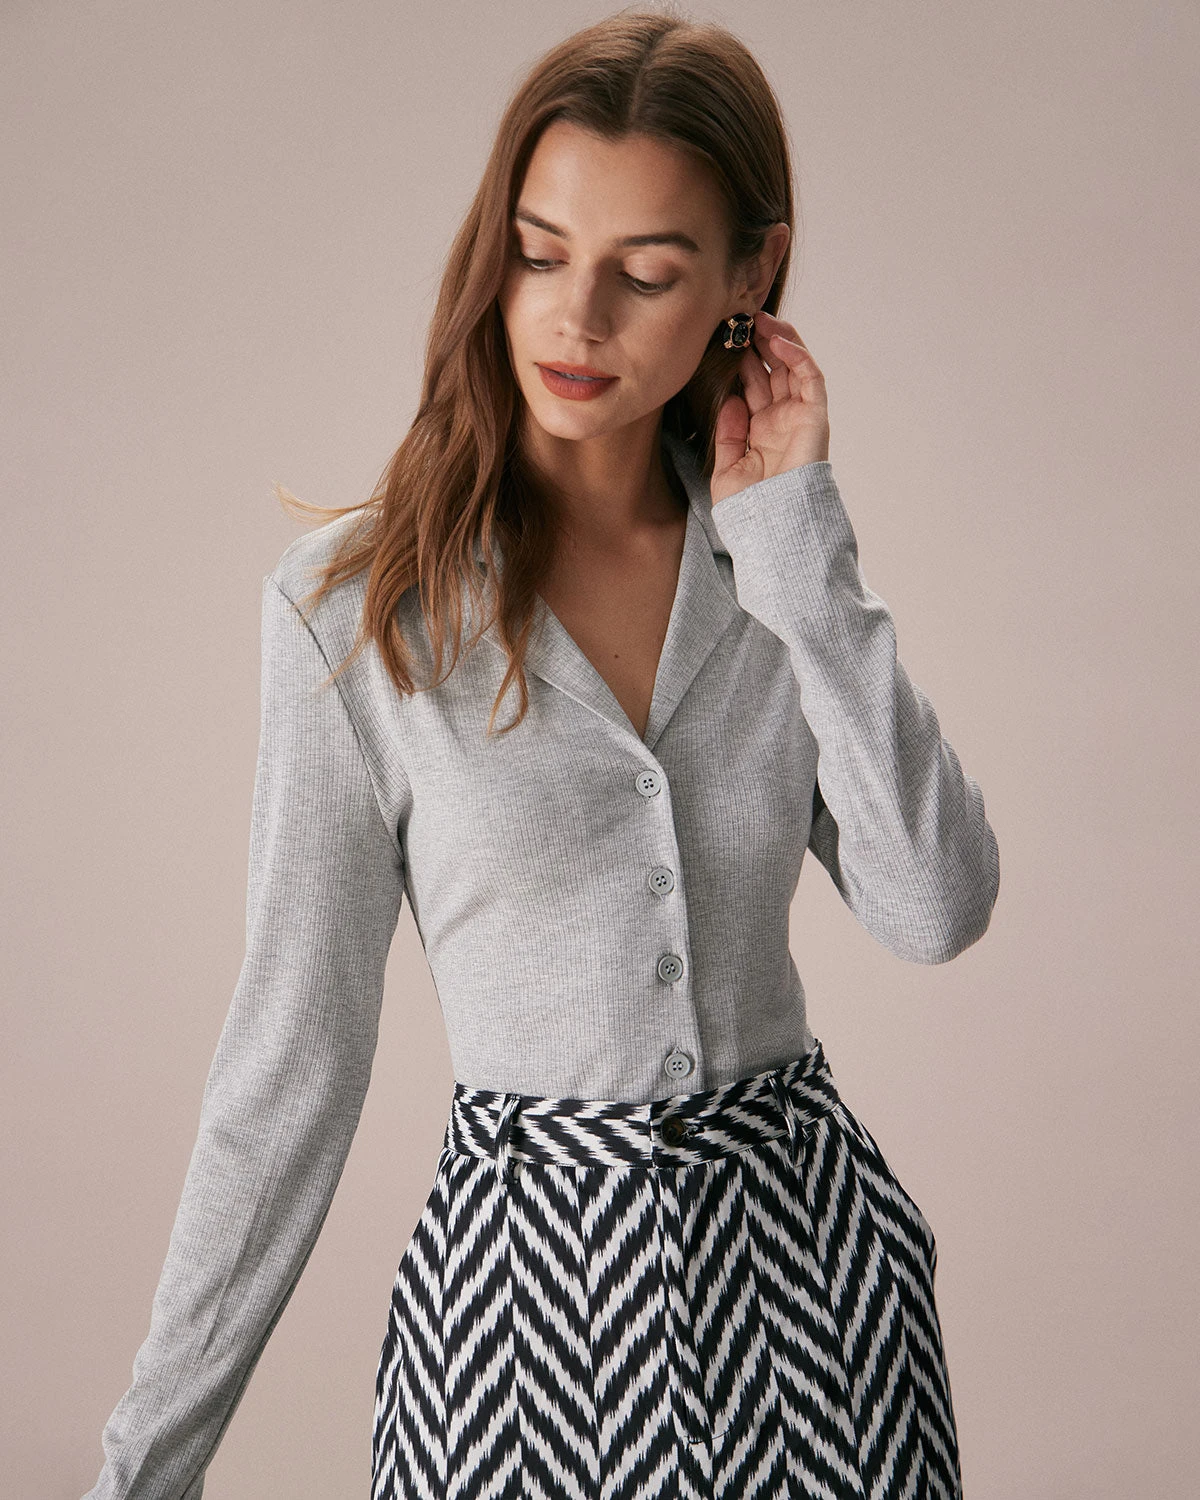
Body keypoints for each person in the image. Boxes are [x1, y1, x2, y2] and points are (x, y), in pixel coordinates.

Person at [81, 9, 1000, 1500]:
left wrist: (803, 557)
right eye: (538, 251)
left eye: (647, 273)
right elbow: (294, 1057)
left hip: (819, 1313)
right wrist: (143, 1471)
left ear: (749, 276)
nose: (576, 319)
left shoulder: (770, 568)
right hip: (517, 1334)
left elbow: (935, 903)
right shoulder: (353, 613)